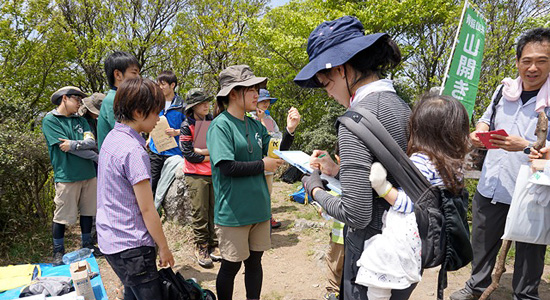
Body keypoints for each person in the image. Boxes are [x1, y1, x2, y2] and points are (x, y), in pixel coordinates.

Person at [294, 16, 412, 300]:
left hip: (372, 256)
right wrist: (338, 171)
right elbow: (385, 175)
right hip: (405, 247)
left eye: (325, 83)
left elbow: (356, 214)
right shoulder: (402, 106)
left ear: (342, 69)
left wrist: (315, 188)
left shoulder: (354, 122)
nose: (328, 93)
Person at [450, 27, 550, 300]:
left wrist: (527, 146)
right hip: (493, 183)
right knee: (482, 240)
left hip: (532, 190)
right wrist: (480, 131)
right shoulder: (503, 90)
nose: (533, 67)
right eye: (527, 60)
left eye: (542, 61)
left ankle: (525, 295)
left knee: (530, 247)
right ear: (518, 62)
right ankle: (476, 287)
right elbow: (487, 117)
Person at [361, 95, 470, 300]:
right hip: (430, 234)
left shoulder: (421, 160)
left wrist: (382, 187)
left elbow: (408, 203)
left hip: (405, 233)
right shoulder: (456, 164)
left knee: (378, 281)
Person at [207, 65, 300, 300]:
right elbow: (226, 167)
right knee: (230, 266)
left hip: (259, 209)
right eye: (252, 89)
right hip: (234, 211)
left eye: (257, 88)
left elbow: (275, 152)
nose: (257, 94)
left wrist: (289, 131)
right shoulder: (221, 125)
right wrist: (262, 165)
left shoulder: (255, 124)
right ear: (234, 93)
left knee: (255, 262)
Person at [96, 77, 175, 300]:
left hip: (111, 240)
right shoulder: (134, 152)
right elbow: (148, 210)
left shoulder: (113, 137)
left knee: (131, 292)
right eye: (155, 112)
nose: (159, 118)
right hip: (133, 245)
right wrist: (164, 247)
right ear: (139, 112)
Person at [41, 86, 99, 265]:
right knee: (62, 216)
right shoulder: (50, 120)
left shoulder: (80, 120)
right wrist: (87, 150)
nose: (79, 103)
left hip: (89, 173)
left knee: (88, 212)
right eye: (77, 99)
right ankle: (58, 251)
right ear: (64, 98)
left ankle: (87, 246)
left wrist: (74, 144)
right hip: (66, 175)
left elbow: (91, 142)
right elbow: (64, 148)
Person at [179, 88, 220, 268]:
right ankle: (201, 246)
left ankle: (213, 244)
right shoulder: (186, 125)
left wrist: (203, 152)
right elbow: (189, 154)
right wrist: (210, 155)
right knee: (200, 211)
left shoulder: (212, 121)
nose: (206, 105)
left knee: (214, 210)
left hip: (214, 173)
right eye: (202, 103)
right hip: (195, 175)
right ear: (193, 107)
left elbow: (220, 147)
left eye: (207, 102)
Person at [149, 70, 186, 194]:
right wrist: (149, 138)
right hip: (155, 150)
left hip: (174, 154)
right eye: (158, 84)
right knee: (151, 186)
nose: (160, 87)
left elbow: (191, 128)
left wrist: (177, 132)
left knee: (172, 190)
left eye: (163, 84)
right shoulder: (155, 103)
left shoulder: (183, 106)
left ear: (172, 85)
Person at [97, 51, 141, 150]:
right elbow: (125, 133)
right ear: (118, 75)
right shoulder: (113, 99)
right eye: (134, 72)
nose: (138, 77)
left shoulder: (121, 98)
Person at [252, 89, 283, 229]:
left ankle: (267, 217)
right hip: (254, 163)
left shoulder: (269, 118)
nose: (266, 104)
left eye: (268, 101)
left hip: (269, 161)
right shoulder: (248, 117)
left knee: (268, 191)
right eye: (263, 101)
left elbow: (275, 136)